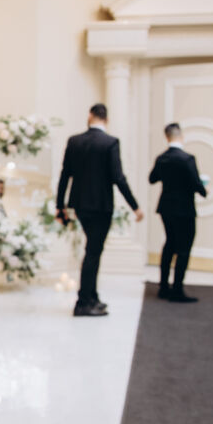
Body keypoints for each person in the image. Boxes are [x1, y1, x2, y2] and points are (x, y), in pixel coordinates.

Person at [57, 103, 144, 317]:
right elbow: (118, 178)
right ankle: (83, 302)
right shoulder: (110, 142)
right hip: (101, 206)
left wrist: (60, 206)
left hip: (80, 205)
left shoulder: (74, 141)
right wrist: (135, 206)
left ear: (90, 116)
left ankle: (92, 296)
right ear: (107, 119)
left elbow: (65, 175)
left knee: (92, 250)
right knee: (93, 252)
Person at [149, 123, 207, 303]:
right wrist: (204, 189)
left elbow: (152, 178)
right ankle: (177, 289)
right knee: (184, 248)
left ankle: (163, 287)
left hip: (166, 207)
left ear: (167, 137)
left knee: (169, 244)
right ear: (181, 136)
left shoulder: (162, 158)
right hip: (184, 209)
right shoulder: (187, 159)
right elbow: (196, 184)